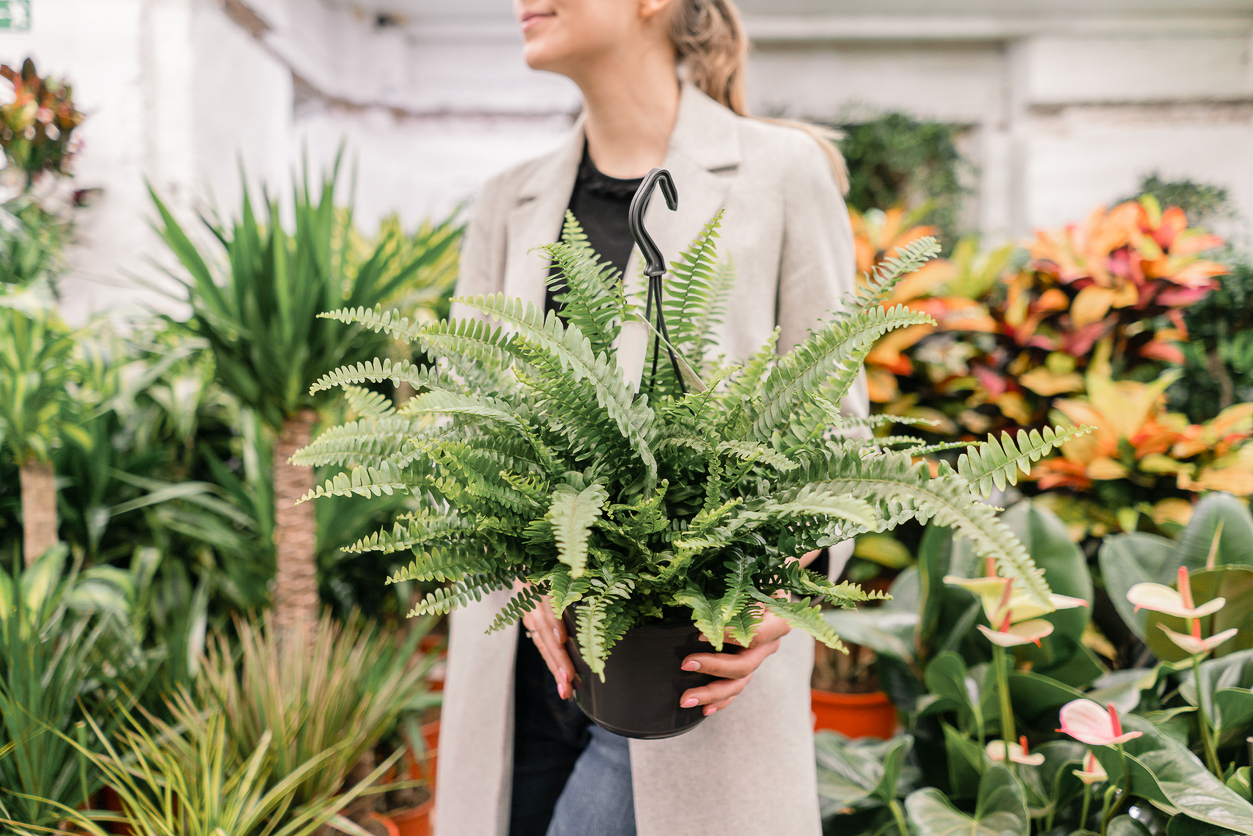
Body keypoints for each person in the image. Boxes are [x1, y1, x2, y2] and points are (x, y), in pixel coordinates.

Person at [434, 1, 868, 835]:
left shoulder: (781, 173)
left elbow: (835, 432)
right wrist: (526, 569)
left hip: (684, 664)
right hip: (523, 668)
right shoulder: (507, 201)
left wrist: (783, 590)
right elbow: (464, 431)